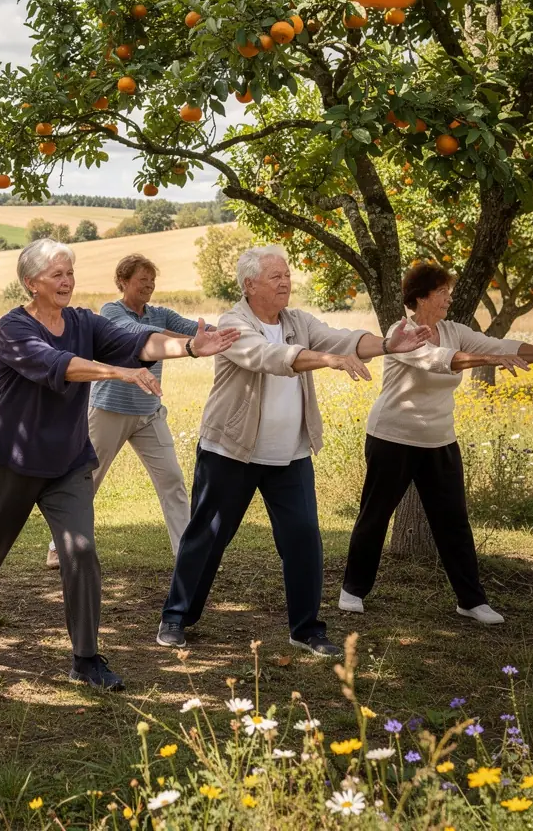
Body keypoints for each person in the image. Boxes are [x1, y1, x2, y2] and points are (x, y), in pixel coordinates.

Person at [0, 238, 240, 689]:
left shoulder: (83, 321)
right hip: (9, 462)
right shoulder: (14, 327)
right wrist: (116, 372)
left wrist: (188, 347)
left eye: (69, 273)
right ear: (31, 282)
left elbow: (139, 342)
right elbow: (61, 364)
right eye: (57, 274)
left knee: (81, 551)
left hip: (67, 462)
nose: (66, 281)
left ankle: (86, 657)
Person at [156, 245, 432, 658]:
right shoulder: (233, 323)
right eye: (275, 276)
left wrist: (390, 344)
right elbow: (266, 357)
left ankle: (306, 629)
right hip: (231, 453)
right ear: (250, 284)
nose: (285, 282)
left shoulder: (298, 321)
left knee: (304, 539)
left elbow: (343, 338)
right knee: (207, 537)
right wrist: (327, 360)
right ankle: (176, 617)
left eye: (286, 275)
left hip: (289, 456)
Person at [339, 262, 533, 624]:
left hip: (439, 441)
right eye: (442, 292)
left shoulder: (454, 330)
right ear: (420, 298)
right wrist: (491, 359)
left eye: (449, 291)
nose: (449, 297)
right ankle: (352, 590)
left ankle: (471, 600)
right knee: (375, 516)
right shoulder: (402, 332)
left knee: (453, 522)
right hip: (393, 438)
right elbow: (440, 362)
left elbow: (502, 344)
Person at [44, 254, 204, 568]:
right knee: (87, 480)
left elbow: (198, 329)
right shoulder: (111, 311)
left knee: (172, 480)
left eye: (152, 280)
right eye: (141, 280)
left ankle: (188, 557)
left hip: (149, 413)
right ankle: (57, 546)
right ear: (123, 282)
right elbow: (133, 335)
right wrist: (189, 343)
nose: (149, 285)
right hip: (109, 411)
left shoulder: (160, 313)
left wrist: (222, 333)